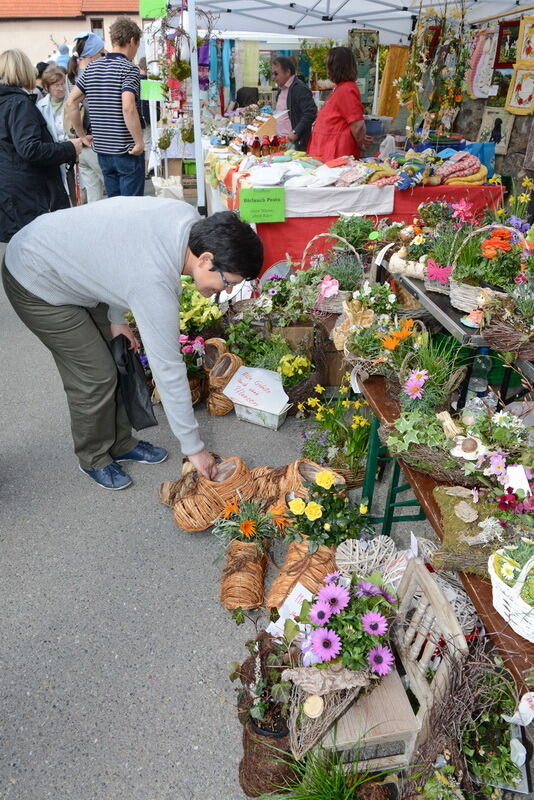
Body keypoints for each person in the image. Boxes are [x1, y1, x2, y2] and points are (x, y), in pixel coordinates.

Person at [2, 198, 263, 490]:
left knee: (118, 357)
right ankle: (93, 456)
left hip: (66, 259)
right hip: (33, 274)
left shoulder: (188, 221)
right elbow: (167, 368)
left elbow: (120, 248)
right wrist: (194, 448)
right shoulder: (154, 284)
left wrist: (116, 316)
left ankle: (121, 442)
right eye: (227, 281)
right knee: (95, 375)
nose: (226, 290)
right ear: (204, 260)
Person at [0, 49, 82, 243]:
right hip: (26, 192)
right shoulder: (18, 103)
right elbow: (30, 149)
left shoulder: (8, 102)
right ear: (23, 71)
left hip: (10, 189)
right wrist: (69, 148)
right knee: (34, 249)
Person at [66, 17, 145, 198]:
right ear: (132, 41)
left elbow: (71, 102)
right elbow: (128, 107)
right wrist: (139, 141)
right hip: (126, 150)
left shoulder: (92, 69)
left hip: (103, 151)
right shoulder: (129, 69)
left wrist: (81, 135)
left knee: (114, 205)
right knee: (132, 208)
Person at [307, 47, 373, 163]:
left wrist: (361, 142)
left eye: (329, 66)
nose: (327, 70)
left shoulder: (347, 89)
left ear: (335, 68)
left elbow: (357, 126)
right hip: (329, 152)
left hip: (336, 154)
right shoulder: (342, 88)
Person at [65, 32, 106, 203]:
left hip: (81, 143)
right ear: (93, 54)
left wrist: (80, 136)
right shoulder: (93, 74)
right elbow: (72, 104)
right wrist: (83, 135)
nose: (104, 56)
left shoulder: (72, 74)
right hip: (95, 139)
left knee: (93, 196)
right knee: (114, 191)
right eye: (102, 53)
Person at [37, 65, 72, 200]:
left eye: (62, 84)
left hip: (71, 150)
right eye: (56, 85)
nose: (61, 88)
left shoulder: (71, 101)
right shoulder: (40, 106)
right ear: (47, 88)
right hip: (55, 153)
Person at [271, 56, 316, 150]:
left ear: (287, 72)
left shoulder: (299, 88)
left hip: (294, 144)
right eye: (273, 74)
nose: (273, 77)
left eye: (276, 74)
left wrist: (296, 132)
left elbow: (311, 112)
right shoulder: (282, 89)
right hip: (282, 142)